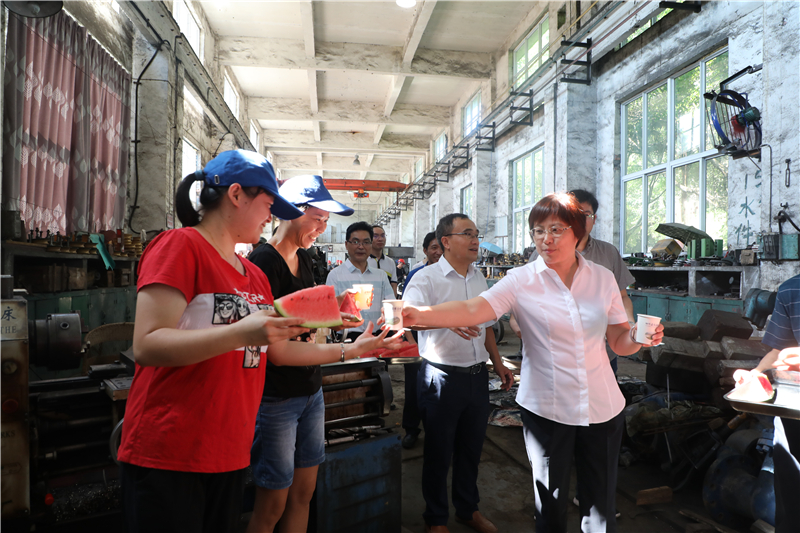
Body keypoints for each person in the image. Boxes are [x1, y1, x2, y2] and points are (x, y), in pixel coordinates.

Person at [117, 150, 402, 533]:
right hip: (172, 447)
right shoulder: (180, 245)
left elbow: (279, 349)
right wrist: (242, 332)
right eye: (268, 205)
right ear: (236, 195)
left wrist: (351, 349)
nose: (270, 218)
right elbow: (148, 344)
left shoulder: (252, 275)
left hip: (227, 448)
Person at [400, 193, 663, 533]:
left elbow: (618, 342)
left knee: (600, 508)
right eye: (538, 230)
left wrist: (639, 337)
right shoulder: (520, 280)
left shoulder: (602, 277)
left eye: (556, 229)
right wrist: (414, 314)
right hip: (548, 410)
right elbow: (472, 309)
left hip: (602, 409)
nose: (546, 239)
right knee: (550, 507)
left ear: (578, 231)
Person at [246, 174, 356, 533]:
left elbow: (300, 319)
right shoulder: (264, 262)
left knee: (304, 493)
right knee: (271, 505)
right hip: (276, 397)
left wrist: (334, 312)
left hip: (311, 390)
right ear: (291, 211)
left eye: (326, 220)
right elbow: (275, 350)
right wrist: (348, 350)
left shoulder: (305, 258)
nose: (322, 228)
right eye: (318, 218)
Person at [402, 214, 514, 533]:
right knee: (439, 452)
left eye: (476, 233)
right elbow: (408, 316)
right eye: (467, 234)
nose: (475, 239)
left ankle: (467, 509)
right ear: (446, 241)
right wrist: (448, 319)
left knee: (471, 449)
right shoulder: (426, 278)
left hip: (476, 377)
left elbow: (487, 326)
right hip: (441, 377)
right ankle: (436, 518)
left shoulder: (479, 279)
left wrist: (498, 363)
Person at [528, 189, 635, 375]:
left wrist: (630, 323)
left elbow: (622, 296)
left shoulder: (608, 253)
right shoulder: (543, 254)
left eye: (585, 215)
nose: (580, 220)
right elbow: (526, 300)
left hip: (602, 351)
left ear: (594, 218)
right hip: (555, 356)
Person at [733, 273, 800, 533]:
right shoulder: (791, 290)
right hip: (793, 409)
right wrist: (756, 374)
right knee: (792, 504)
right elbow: (779, 351)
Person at [400, 231, 443, 450]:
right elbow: (404, 311)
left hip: (442, 339)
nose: (438, 252)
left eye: (441, 247)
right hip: (417, 337)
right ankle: (411, 429)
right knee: (414, 387)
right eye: (433, 248)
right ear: (425, 250)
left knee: (437, 390)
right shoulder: (416, 274)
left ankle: (436, 431)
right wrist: (411, 342)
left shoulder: (452, 274)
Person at [326, 222, 395, 341]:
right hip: (348, 339)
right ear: (346, 244)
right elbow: (329, 312)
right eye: (355, 242)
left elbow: (391, 306)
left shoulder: (381, 275)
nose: (361, 247)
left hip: (378, 337)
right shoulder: (335, 275)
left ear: (371, 245)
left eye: (366, 242)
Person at [368, 224, 398, 296]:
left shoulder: (390, 262)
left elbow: (393, 285)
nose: (380, 239)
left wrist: (392, 301)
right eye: (375, 236)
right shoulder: (364, 261)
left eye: (382, 236)